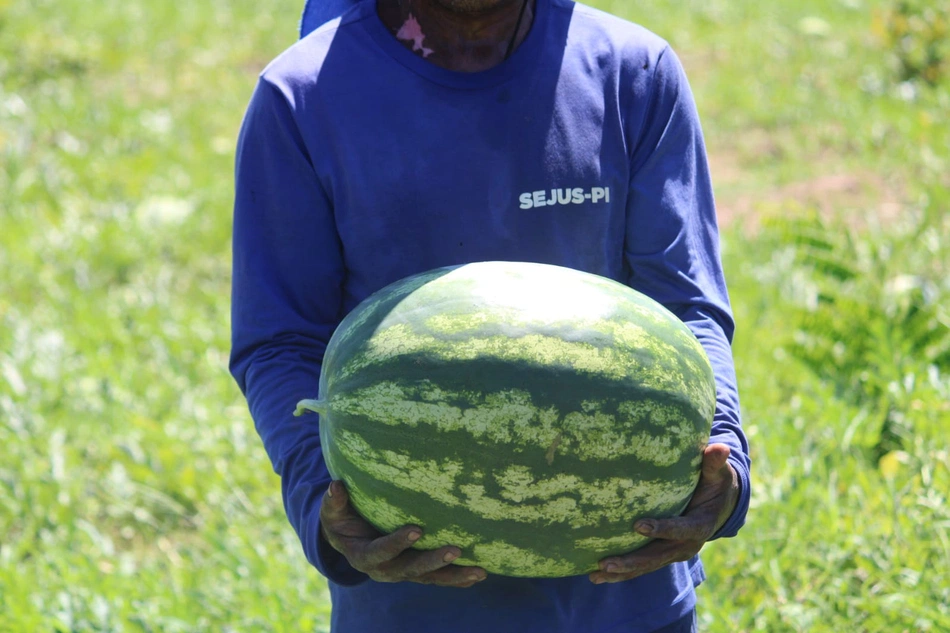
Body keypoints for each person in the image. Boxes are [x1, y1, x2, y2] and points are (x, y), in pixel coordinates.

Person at [229, 0, 751, 631]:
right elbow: (280, 342)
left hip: (627, 598)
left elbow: (688, 305)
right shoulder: (302, 98)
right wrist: (324, 502)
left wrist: (725, 467)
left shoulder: (629, 73)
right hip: (412, 602)